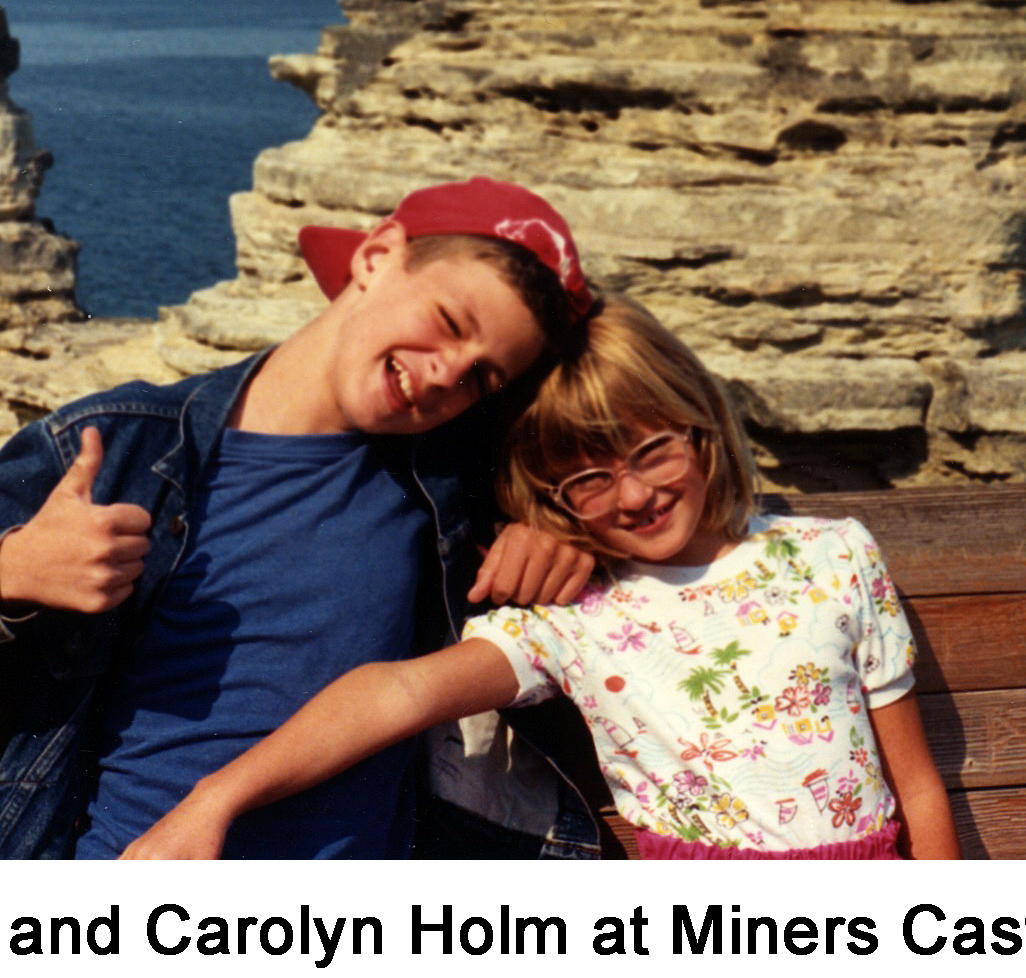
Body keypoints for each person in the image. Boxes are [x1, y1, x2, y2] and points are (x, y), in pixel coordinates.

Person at [0, 177, 605, 859]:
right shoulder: (122, 446)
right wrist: (10, 571)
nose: (443, 376)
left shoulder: (444, 487)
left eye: (480, 378)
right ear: (376, 256)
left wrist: (556, 535)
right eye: (450, 323)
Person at [122, 295, 961, 860]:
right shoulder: (572, 614)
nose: (633, 494)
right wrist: (215, 799)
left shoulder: (834, 555)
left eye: (652, 450)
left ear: (700, 421)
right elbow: (394, 695)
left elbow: (916, 787)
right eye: (588, 480)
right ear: (548, 495)